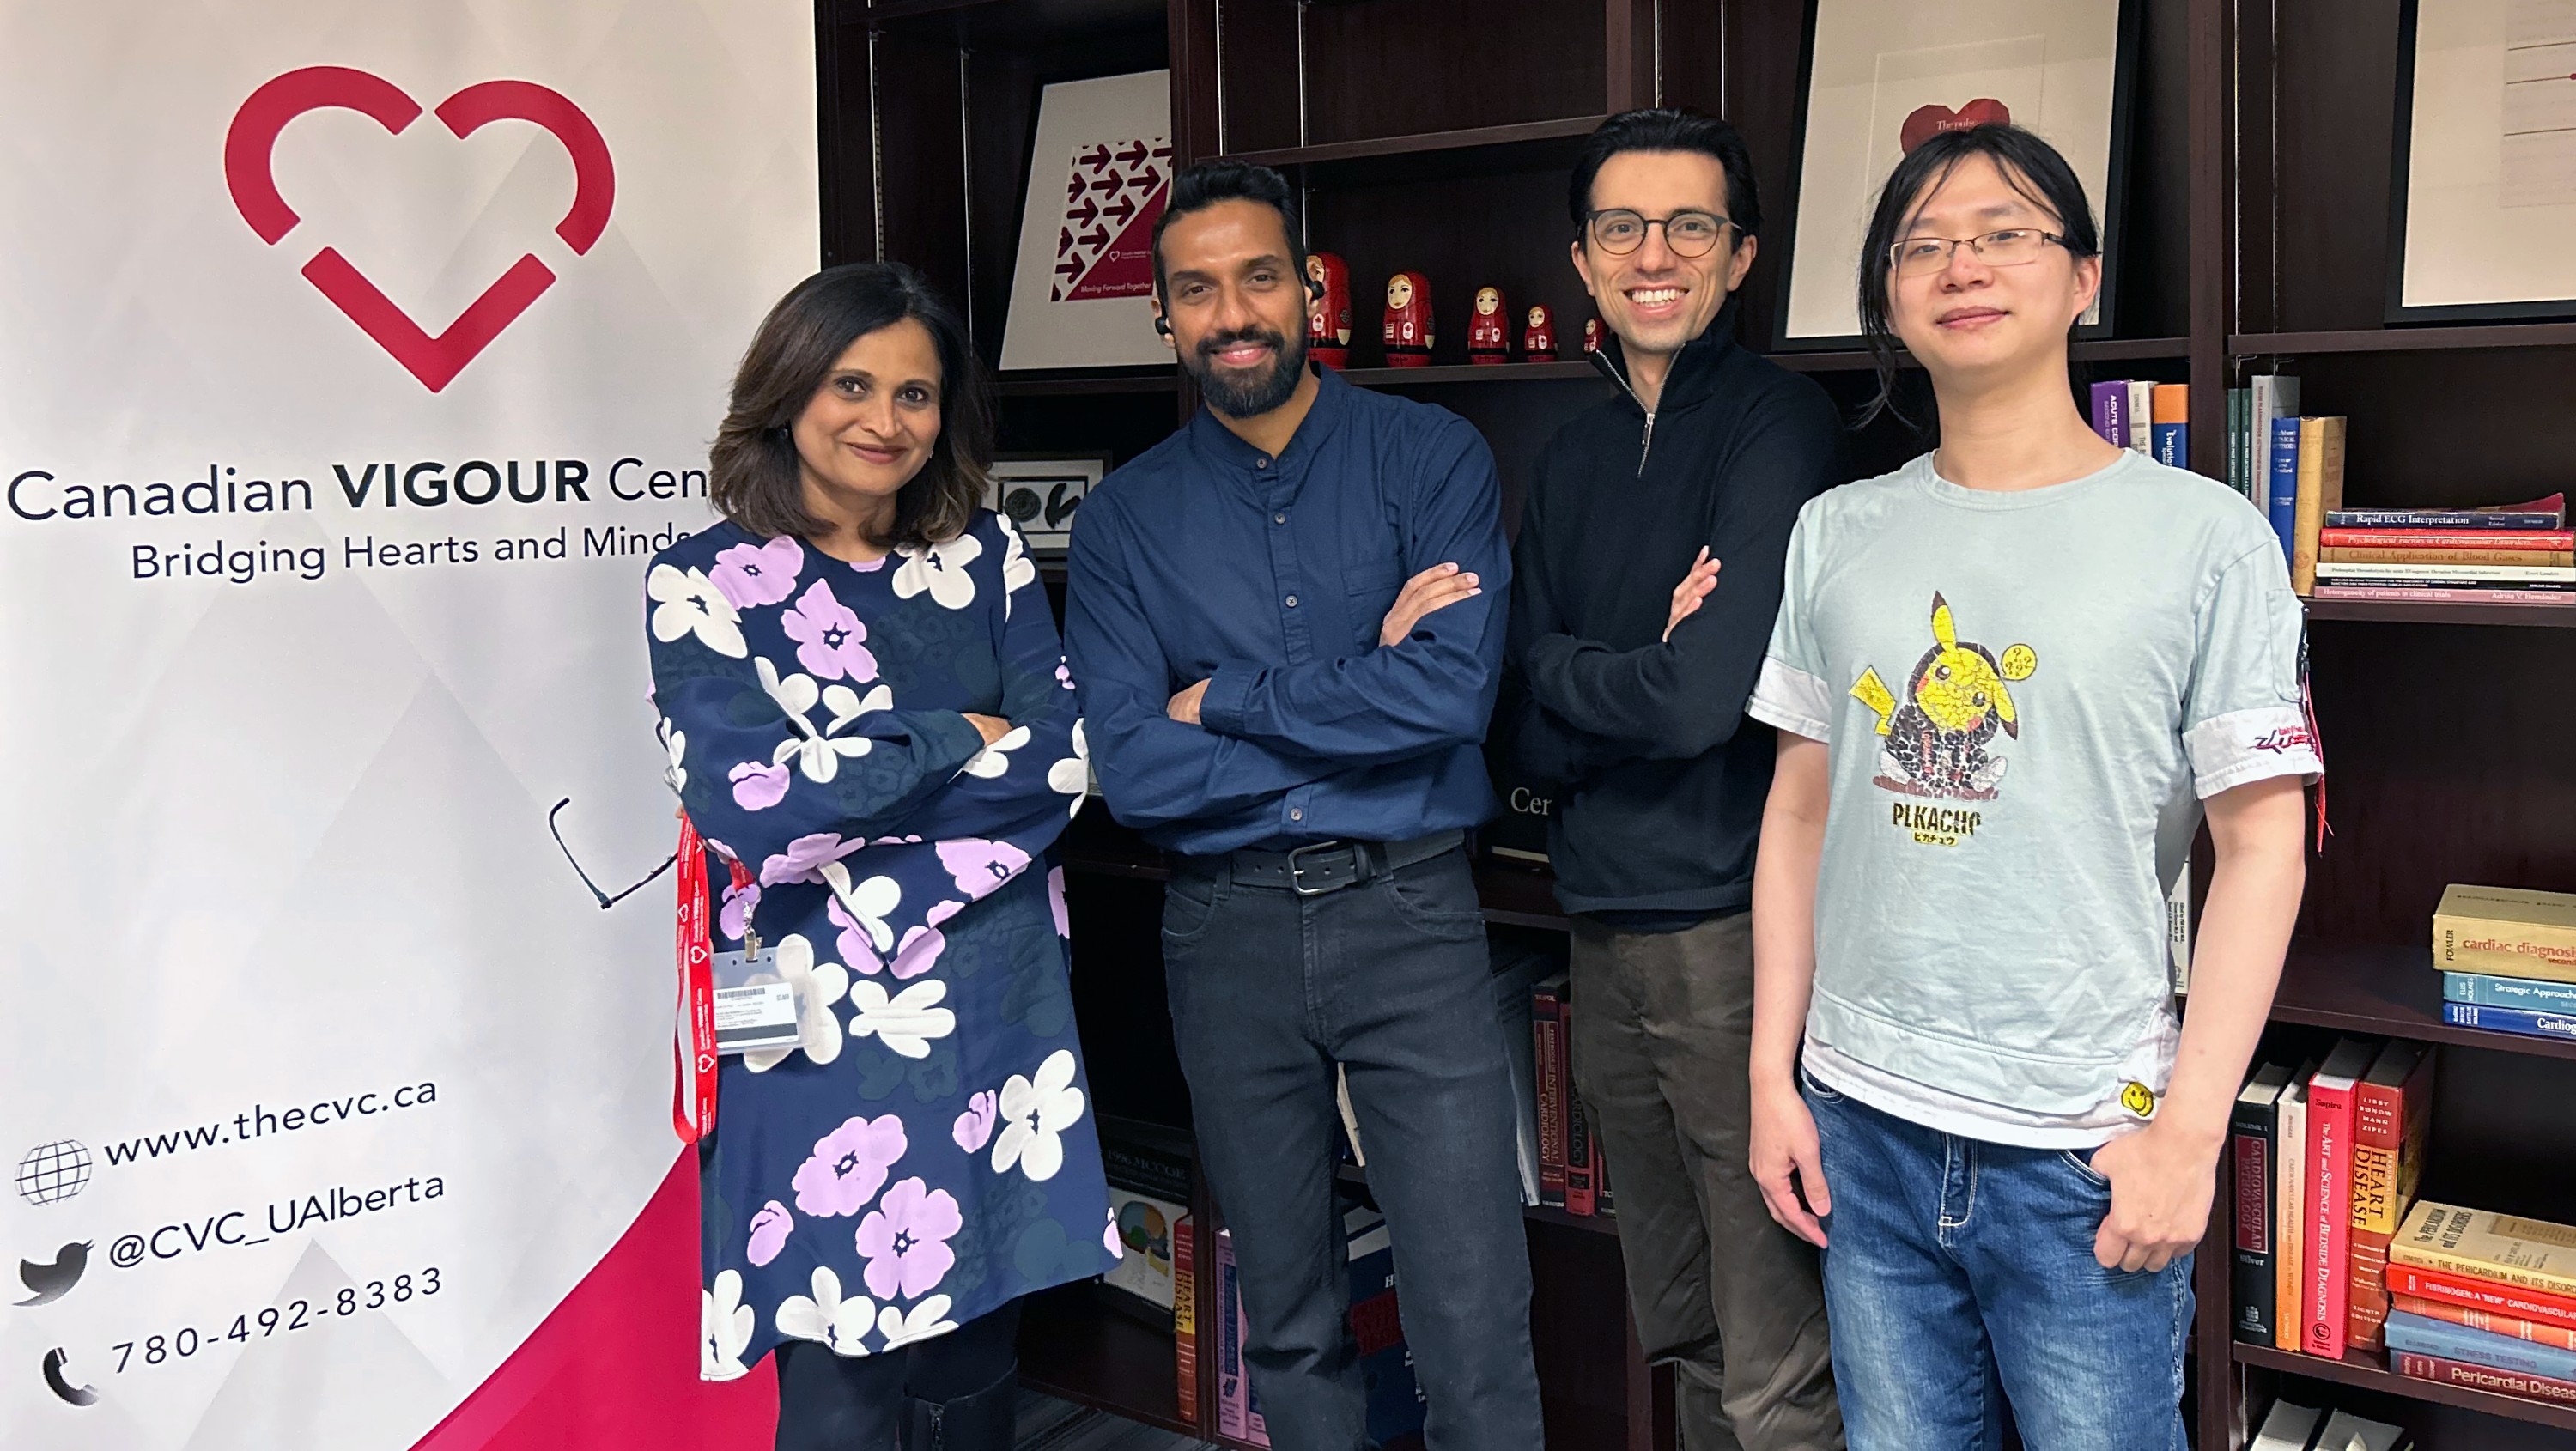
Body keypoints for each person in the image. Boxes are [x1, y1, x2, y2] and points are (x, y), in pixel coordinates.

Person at [1743, 124, 2317, 1450]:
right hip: (1864, 1126)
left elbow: (2265, 846)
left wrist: (2189, 1136)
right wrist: (1774, 1075)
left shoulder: (2205, 538)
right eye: (1923, 245)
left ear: (2084, 278)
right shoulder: (1839, 532)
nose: (1963, 265)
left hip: (2080, 1148)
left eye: (2005, 232)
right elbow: (1798, 813)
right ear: (1889, 292)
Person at [1061, 161, 1541, 1451]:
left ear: (1309, 286)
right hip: (1225, 935)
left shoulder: (1429, 455)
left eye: (1259, 276)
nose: (1234, 312)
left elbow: (1445, 703)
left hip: (1412, 916)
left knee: (1472, 1312)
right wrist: (1360, 702)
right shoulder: (1121, 523)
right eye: (1198, 289)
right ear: (1163, 315)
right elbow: (1132, 770)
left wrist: (1215, 701)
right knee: (1283, 1313)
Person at [645, 263, 1113, 1451]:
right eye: (854, 383)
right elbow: (753, 807)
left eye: (916, 394)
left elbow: (1062, 764)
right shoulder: (702, 580)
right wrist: (958, 736)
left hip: (991, 1008)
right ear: (790, 388)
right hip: (806, 1022)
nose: (886, 421)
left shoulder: (987, 554)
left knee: (975, 1347)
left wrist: (855, 830)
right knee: (840, 1362)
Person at [1495, 108, 1845, 1451]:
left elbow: (1707, 702)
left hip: (1735, 942)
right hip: (1600, 933)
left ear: (1740, 255)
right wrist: (1630, 659)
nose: (1655, 252)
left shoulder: (1781, 425)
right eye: (1621, 226)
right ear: (1581, 261)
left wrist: (1591, 668)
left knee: (1776, 1354)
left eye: (1690, 224)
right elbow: (1512, 728)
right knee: (1683, 1326)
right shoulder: (1571, 454)